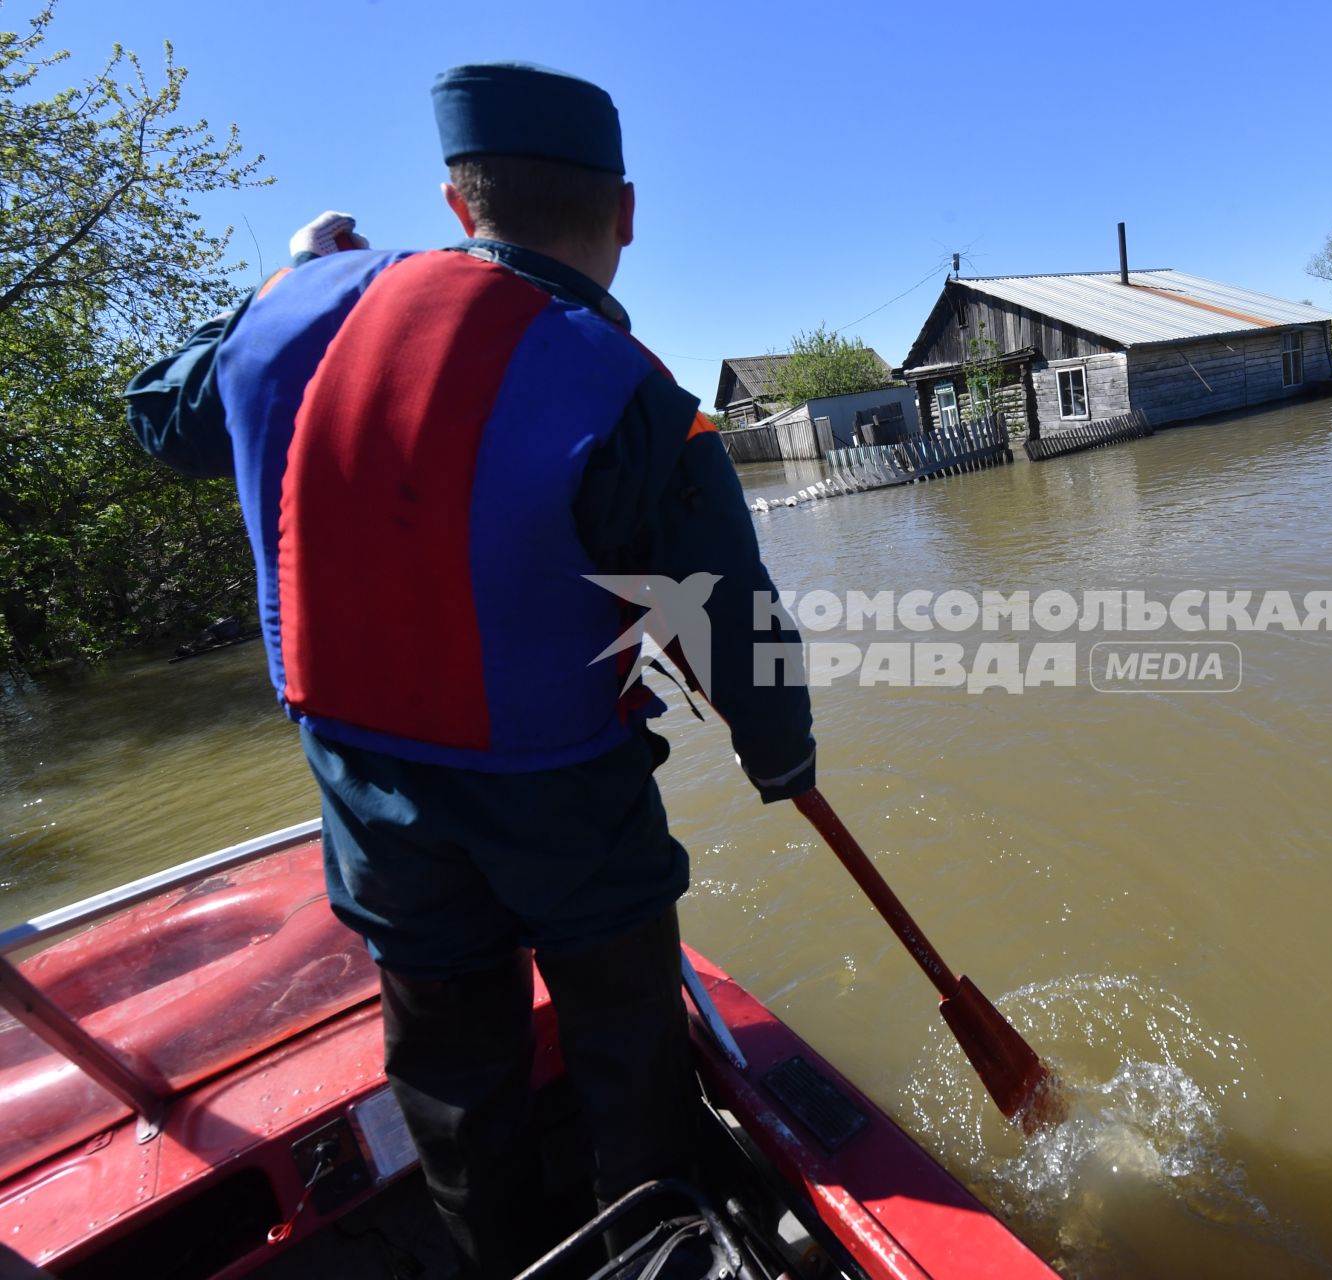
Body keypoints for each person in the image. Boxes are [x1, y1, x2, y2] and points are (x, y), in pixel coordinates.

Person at [125, 62, 815, 1277]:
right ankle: (647, 1249)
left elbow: (159, 411)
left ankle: (496, 1256)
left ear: (457, 203)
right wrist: (782, 756)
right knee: (624, 1046)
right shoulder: (634, 392)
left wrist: (280, 276)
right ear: (628, 214)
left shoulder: (290, 315)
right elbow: (730, 624)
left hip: (376, 797)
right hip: (568, 796)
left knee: (450, 1069)